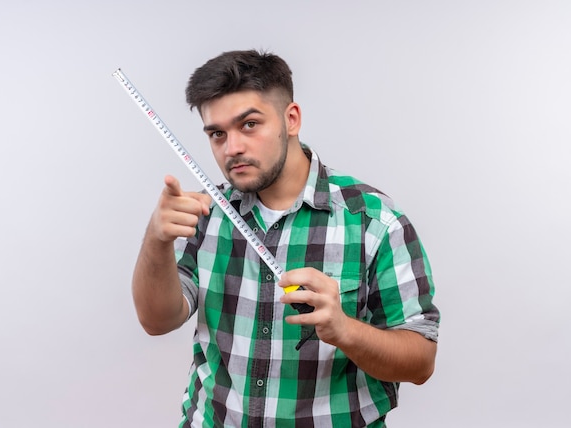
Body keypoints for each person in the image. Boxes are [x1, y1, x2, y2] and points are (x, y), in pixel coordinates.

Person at [132, 49, 440, 427]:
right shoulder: (203, 214)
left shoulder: (375, 222)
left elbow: (421, 362)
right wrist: (156, 239)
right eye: (217, 134)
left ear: (290, 119)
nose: (232, 149)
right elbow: (157, 320)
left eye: (249, 125)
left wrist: (344, 330)